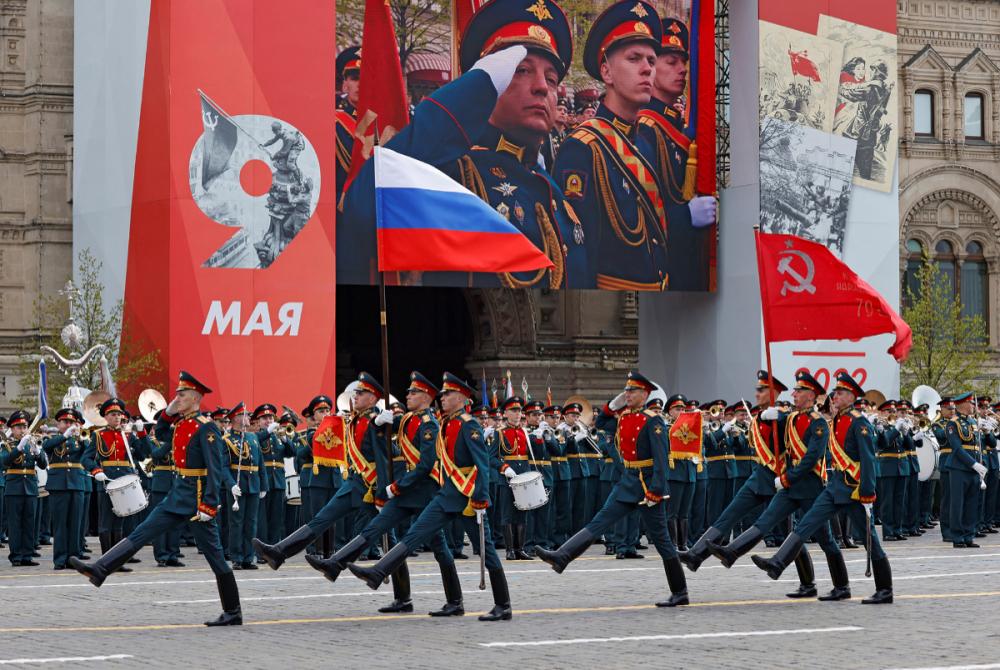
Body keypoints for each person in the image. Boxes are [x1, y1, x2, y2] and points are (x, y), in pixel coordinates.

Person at [340, 0, 587, 289]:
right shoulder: (452, 172)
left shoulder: (554, 192)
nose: (542, 86)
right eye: (520, 70)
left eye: (552, 79)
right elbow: (365, 205)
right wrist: (476, 86)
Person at [70, 371, 244, 625]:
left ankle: (233, 611)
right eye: (177, 394)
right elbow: (161, 433)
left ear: (195, 398)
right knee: (143, 531)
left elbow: (215, 470)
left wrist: (209, 504)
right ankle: (101, 569)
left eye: (182, 395)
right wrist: (168, 412)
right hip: (178, 493)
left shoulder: (206, 427)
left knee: (215, 555)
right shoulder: (181, 424)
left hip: (197, 499)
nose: (177, 398)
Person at [346, 372, 512, 622]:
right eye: (442, 394)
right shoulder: (446, 423)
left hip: (468, 497)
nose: (442, 398)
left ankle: (503, 604)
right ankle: (381, 572)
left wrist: (480, 498)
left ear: (461, 397)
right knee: (416, 534)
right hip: (447, 493)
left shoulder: (469, 425)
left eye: (447, 394)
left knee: (484, 550)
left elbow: (482, 464)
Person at [308, 372, 459, 616]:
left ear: (426, 397)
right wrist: (379, 420)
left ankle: (455, 600)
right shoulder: (407, 419)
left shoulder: (429, 424)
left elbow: (425, 465)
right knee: (376, 526)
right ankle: (338, 564)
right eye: (409, 391)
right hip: (408, 491)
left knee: (439, 547)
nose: (408, 395)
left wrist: (396, 486)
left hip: (425, 491)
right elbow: (381, 429)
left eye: (413, 392)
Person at [536, 371, 689, 607]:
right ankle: (562, 556)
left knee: (662, 540)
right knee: (600, 521)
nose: (627, 394)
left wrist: (657, 489)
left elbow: (661, 459)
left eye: (632, 391)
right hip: (628, 480)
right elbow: (602, 422)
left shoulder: (653, 420)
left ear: (644, 394)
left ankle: (680, 592)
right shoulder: (624, 416)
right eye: (626, 390)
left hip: (647, 484)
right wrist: (612, 405)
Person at [553, 0, 669, 290]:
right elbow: (578, 255)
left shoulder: (645, 143)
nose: (647, 69)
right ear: (606, 72)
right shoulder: (582, 148)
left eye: (652, 60)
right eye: (634, 58)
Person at [750, 372, 893, 605]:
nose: (835, 396)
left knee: (870, 541)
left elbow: (868, 460)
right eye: (835, 393)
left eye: (840, 393)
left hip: (854, 490)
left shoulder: (859, 422)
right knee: (806, 524)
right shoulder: (835, 420)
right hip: (834, 487)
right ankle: (780, 563)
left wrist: (868, 492)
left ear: (852, 396)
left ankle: (885, 589)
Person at [706, 371, 849, 600]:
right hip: (790, 487)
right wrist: (766, 416)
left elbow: (811, 459)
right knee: (765, 521)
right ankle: (732, 552)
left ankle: (841, 586)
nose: (794, 394)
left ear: (811, 395)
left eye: (799, 391)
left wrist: (786, 478)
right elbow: (774, 422)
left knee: (826, 540)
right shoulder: (791, 418)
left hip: (810, 487)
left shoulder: (819, 423)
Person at [636, 17, 717, 290]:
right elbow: (640, 213)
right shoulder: (644, 129)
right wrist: (685, 216)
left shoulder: (675, 126)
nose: (682, 70)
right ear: (651, 68)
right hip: (664, 272)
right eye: (671, 62)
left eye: (683, 62)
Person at [82, 397, 152, 565]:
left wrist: (142, 434)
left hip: (125, 480)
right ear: (106, 417)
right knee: (106, 523)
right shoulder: (98, 435)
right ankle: (107, 561)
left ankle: (118, 561)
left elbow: (145, 454)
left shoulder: (128, 435)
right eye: (113, 414)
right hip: (107, 480)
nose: (117, 417)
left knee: (120, 522)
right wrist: (96, 470)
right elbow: (86, 458)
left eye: (119, 414)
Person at [221, 403, 266, 570]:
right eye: (245, 415)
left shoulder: (252, 437)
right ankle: (237, 557)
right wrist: (231, 484)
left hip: (253, 484)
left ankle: (248, 557)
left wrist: (263, 485)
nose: (248, 418)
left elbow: (260, 464)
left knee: (251, 523)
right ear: (236, 418)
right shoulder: (227, 440)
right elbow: (223, 467)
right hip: (238, 485)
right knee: (236, 523)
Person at [41, 408, 86, 570]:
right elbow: (46, 447)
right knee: (60, 524)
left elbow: (90, 453)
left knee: (75, 523)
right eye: (65, 422)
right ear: (58, 424)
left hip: (76, 483)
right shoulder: (51, 439)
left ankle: (73, 558)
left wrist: (82, 438)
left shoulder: (79, 440)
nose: (68, 425)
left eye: (71, 422)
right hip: (58, 485)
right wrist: (65, 436)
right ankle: (60, 559)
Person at [2, 411, 47, 566]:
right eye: (19, 427)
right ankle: (16, 556)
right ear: (12, 429)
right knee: (15, 524)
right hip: (14, 488)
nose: (22, 430)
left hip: (30, 487)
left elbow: (43, 465)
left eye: (24, 427)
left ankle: (27, 555)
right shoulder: (7, 445)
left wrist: (38, 452)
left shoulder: (31, 444)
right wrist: (19, 448)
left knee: (29, 523)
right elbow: (4, 462)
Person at [947, 392, 988, 548]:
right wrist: (973, 464)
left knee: (972, 503)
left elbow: (978, 446)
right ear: (962, 404)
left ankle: (968, 535)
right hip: (959, 468)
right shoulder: (953, 423)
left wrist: (980, 464)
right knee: (958, 504)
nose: (973, 406)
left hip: (974, 469)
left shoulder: (973, 422)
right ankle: (957, 537)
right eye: (971, 403)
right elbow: (957, 448)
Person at [335, 46, 360, 198]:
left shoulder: (383, 123)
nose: (360, 84)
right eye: (355, 78)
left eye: (366, 77)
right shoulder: (335, 123)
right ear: (345, 85)